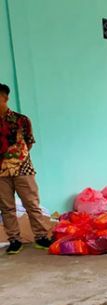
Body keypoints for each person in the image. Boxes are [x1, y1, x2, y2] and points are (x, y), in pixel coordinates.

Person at [0, 83, 52, 255]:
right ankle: (14, 240)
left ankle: (41, 237)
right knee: (6, 207)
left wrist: (15, 159)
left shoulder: (21, 120)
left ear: (5, 98)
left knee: (31, 203)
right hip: (0, 172)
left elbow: (29, 142)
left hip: (23, 168)